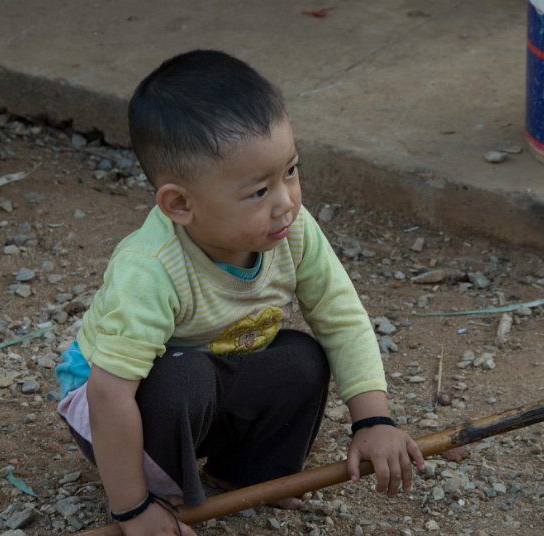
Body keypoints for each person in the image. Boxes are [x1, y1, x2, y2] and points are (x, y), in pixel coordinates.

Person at [55, 49, 425, 536]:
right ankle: (160, 492)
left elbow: (341, 315)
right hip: (115, 405)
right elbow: (109, 395)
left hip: (212, 376)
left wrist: (372, 420)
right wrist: (130, 508)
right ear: (180, 204)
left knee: (301, 358)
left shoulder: (294, 230)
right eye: (258, 192)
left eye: (290, 171)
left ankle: (249, 474)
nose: (286, 203)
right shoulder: (148, 269)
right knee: (183, 378)